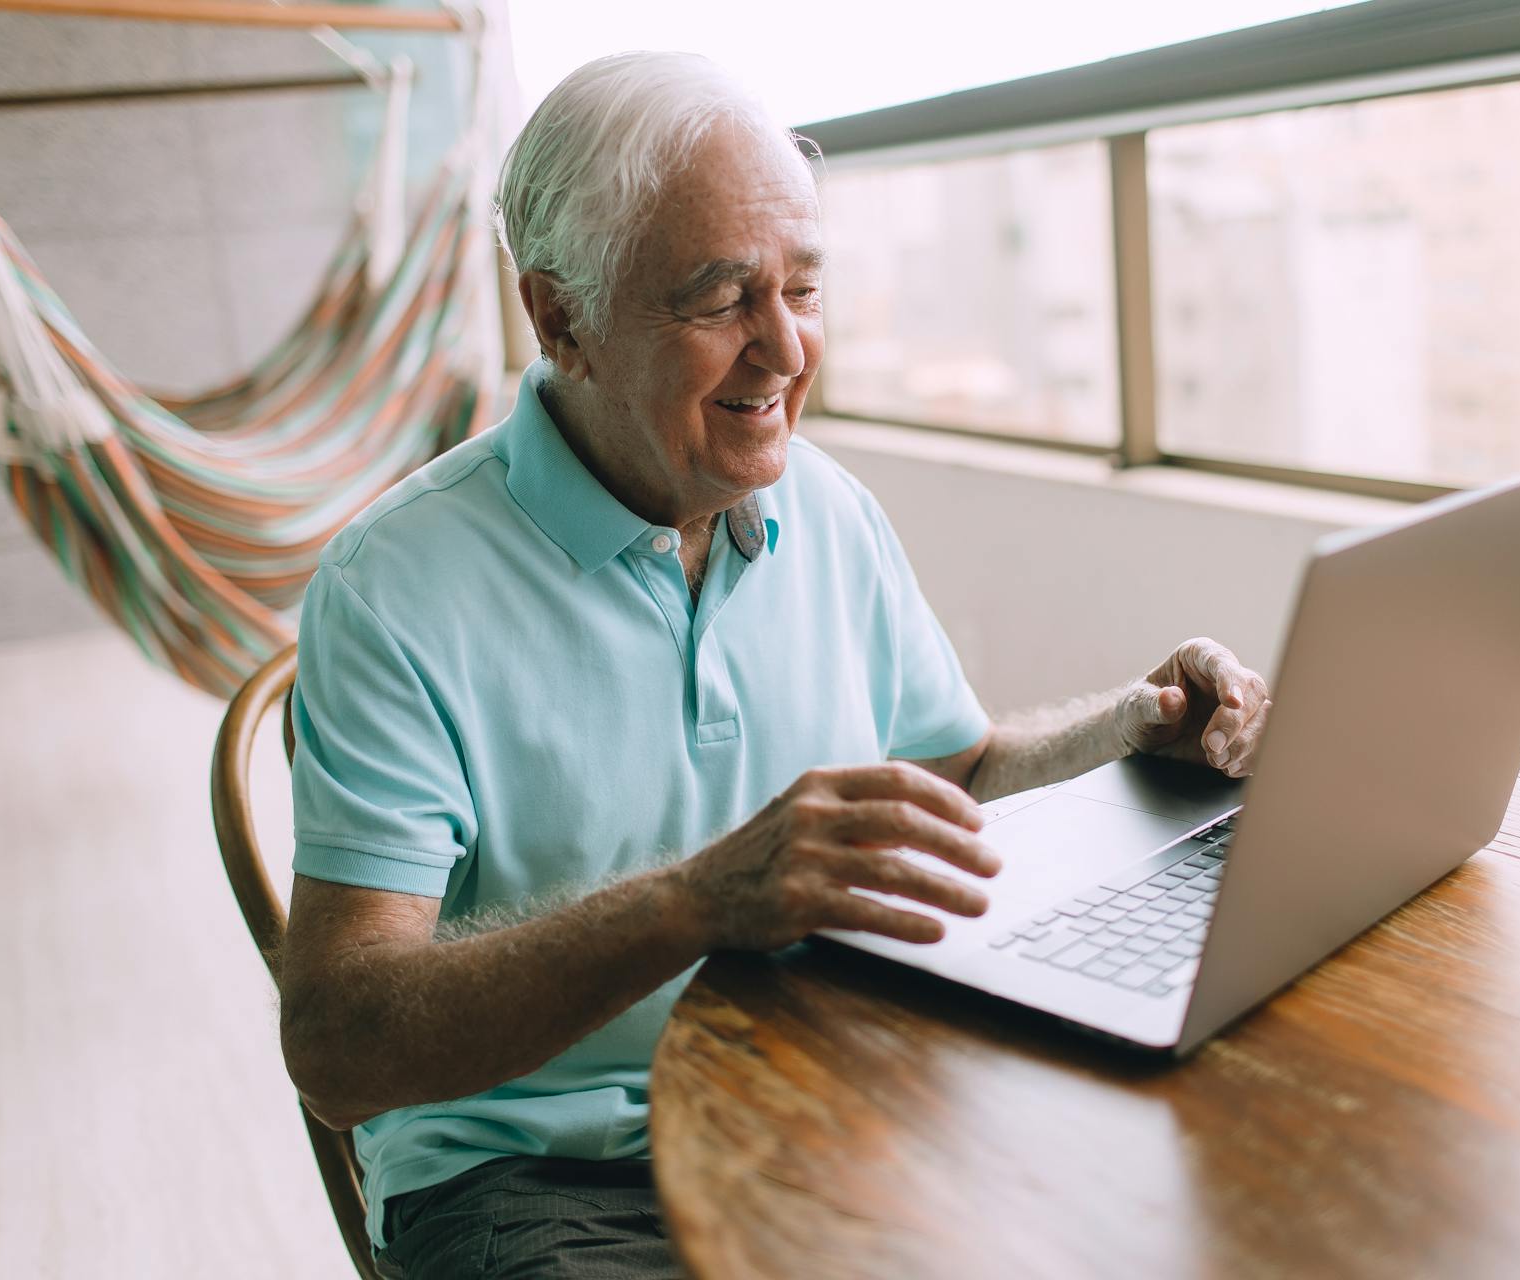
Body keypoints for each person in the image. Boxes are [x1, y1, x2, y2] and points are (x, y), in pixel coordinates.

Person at [279, 51, 1272, 1280]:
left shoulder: (832, 509)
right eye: (720, 299)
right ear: (561, 318)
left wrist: (1129, 729)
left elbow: (949, 772)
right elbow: (340, 1041)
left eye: (802, 288)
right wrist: (693, 902)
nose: (787, 349)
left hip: (833, 1092)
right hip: (544, 1176)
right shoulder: (393, 588)